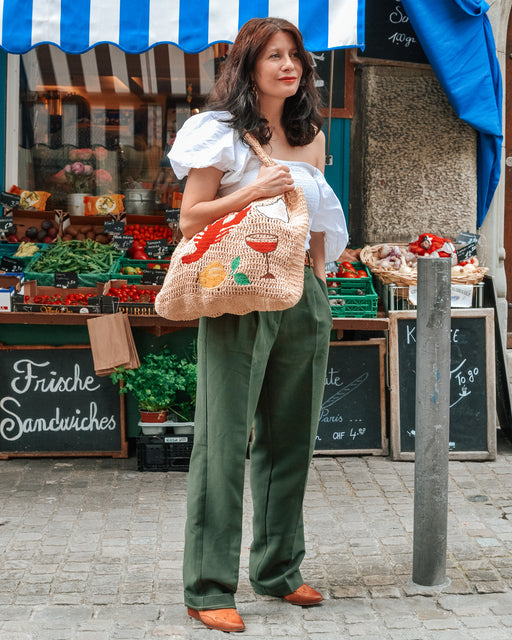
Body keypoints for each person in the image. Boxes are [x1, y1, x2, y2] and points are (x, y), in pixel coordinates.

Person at [168, 17, 348, 633]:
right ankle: (209, 586)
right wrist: (252, 193)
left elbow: (319, 210)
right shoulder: (217, 131)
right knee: (224, 439)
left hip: (301, 292)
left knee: (291, 435)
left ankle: (278, 568)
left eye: (295, 55)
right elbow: (191, 218)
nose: (288, 65)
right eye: (274, 56)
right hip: (240, 291)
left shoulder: (309, 132)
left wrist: (319, 275)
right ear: (248, 65)